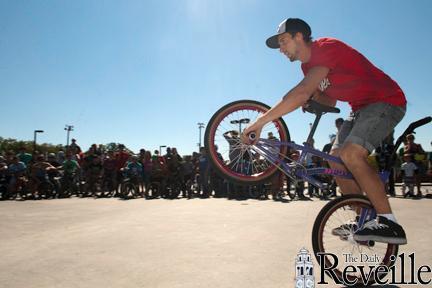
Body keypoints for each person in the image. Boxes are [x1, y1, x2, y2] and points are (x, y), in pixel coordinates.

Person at [242, 18, 407, 244]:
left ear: (299, 36)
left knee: (351, 154)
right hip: (359, 108)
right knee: (335, 159)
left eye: (283, 41)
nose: (280, 49)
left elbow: (301, 91)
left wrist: (260, 122)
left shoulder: (325, 48)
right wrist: (313, 99)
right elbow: (329, 99)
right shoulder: (307, 66)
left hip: (385, 101)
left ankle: (390, 223)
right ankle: (364, 221)